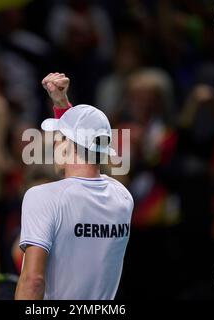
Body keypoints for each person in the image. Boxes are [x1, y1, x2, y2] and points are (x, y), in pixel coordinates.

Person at [15, 73, 134, 300]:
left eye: (58, 137)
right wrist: (61, 103)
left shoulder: (43, 197)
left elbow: (33, 281)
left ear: (68, 144)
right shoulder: (123, 199)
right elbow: (88, 144)